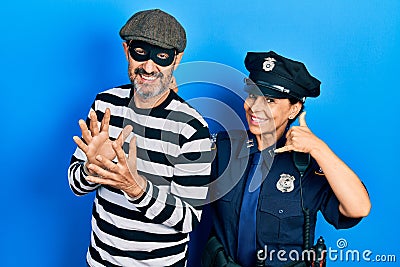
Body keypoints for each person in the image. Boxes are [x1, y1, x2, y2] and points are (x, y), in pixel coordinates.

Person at [68, 9, 212, 266]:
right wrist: (92, 168)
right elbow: (76, 186)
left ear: (176, 60)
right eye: (140, 53)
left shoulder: (192, 129)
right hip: (100, 260)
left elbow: (188, 218)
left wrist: (136, 188)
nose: (148, 66)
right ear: (126, 51)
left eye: (162, 56)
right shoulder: (105, 105)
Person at [202, 51, 371, 267]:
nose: (255, 107)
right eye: (253, 96)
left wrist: (320, 149)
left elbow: (359, 208)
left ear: (294, 109)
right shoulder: (223, 148)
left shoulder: (306, 164)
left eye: (270, 100)